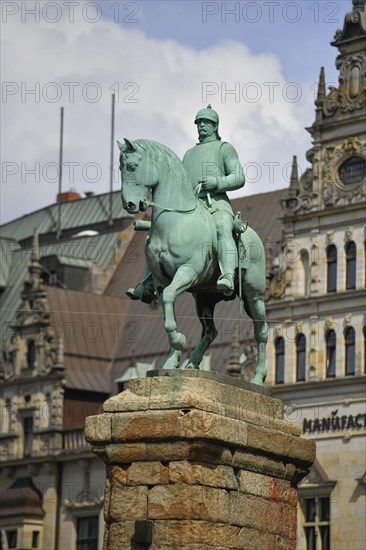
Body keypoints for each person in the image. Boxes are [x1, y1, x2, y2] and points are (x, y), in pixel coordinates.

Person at [126, 104, 245, 301]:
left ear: (215, 126)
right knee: (156, 234)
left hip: (215, 203)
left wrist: (216, 182)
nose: (201, 126)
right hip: (191, 207)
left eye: (206, 123)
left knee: (223, 227)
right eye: (198, 123)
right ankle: (147, 282)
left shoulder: (224, 148)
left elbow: (239, 177)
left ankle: (228, 276)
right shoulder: (189, 153)